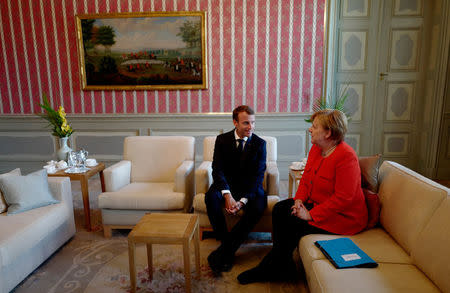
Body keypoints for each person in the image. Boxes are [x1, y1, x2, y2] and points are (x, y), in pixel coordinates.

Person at [237, 109, 368, 284]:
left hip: (342, 217)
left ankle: (269, 267)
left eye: (314, 126)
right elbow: (306, 179)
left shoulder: (346, 157)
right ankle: (284, 264)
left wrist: (311, 214)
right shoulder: (316, 149)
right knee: (280, 208)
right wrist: (299, 200)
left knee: (293, 223)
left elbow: (344, 198)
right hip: (316, 204)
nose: (310, 130)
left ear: (328, 133)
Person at [205, 105, 267, 276]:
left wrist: (242, 201)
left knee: (260, 204)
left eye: (253, 123)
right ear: (235, 122)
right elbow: (217, 170)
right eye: (246, 123)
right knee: (210, 198)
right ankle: (226, 243)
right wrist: (227, 195)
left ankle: (225, 251)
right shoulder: (222, 140)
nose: (251, 127)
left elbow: (258, 176)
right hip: (226, 185)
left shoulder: (260, 144)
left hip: (249, 188)